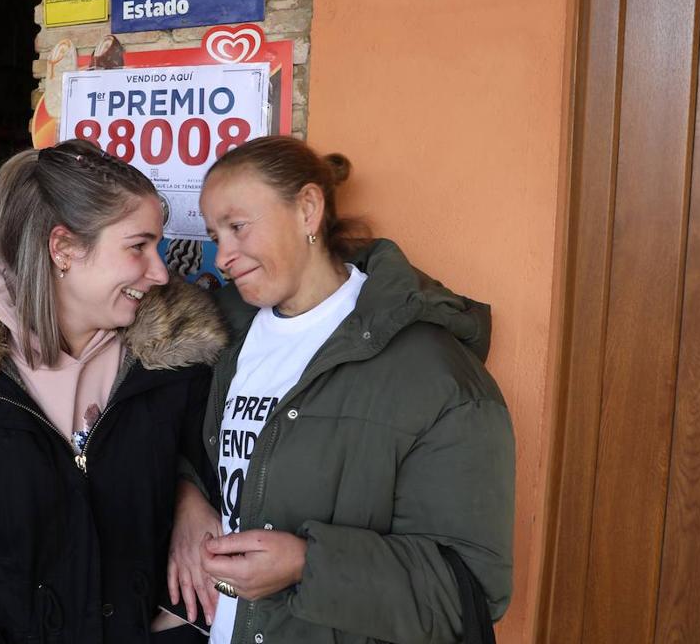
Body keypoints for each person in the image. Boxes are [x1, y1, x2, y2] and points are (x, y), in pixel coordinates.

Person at [0, 139, 227, 644]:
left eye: (158, 246)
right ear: (63, 248)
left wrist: (192, 495)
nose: (160, 272)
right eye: (137, 246)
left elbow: (209, 463)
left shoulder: (171, 356)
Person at [169, 135, 515, 644]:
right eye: (215, 235)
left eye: (238, 227)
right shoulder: (221, 338)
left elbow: (469, 594)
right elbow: (172, 445)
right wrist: (187, 496)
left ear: (308, 209)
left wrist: (308, 565)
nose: (223, 256)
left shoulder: (437, 374)